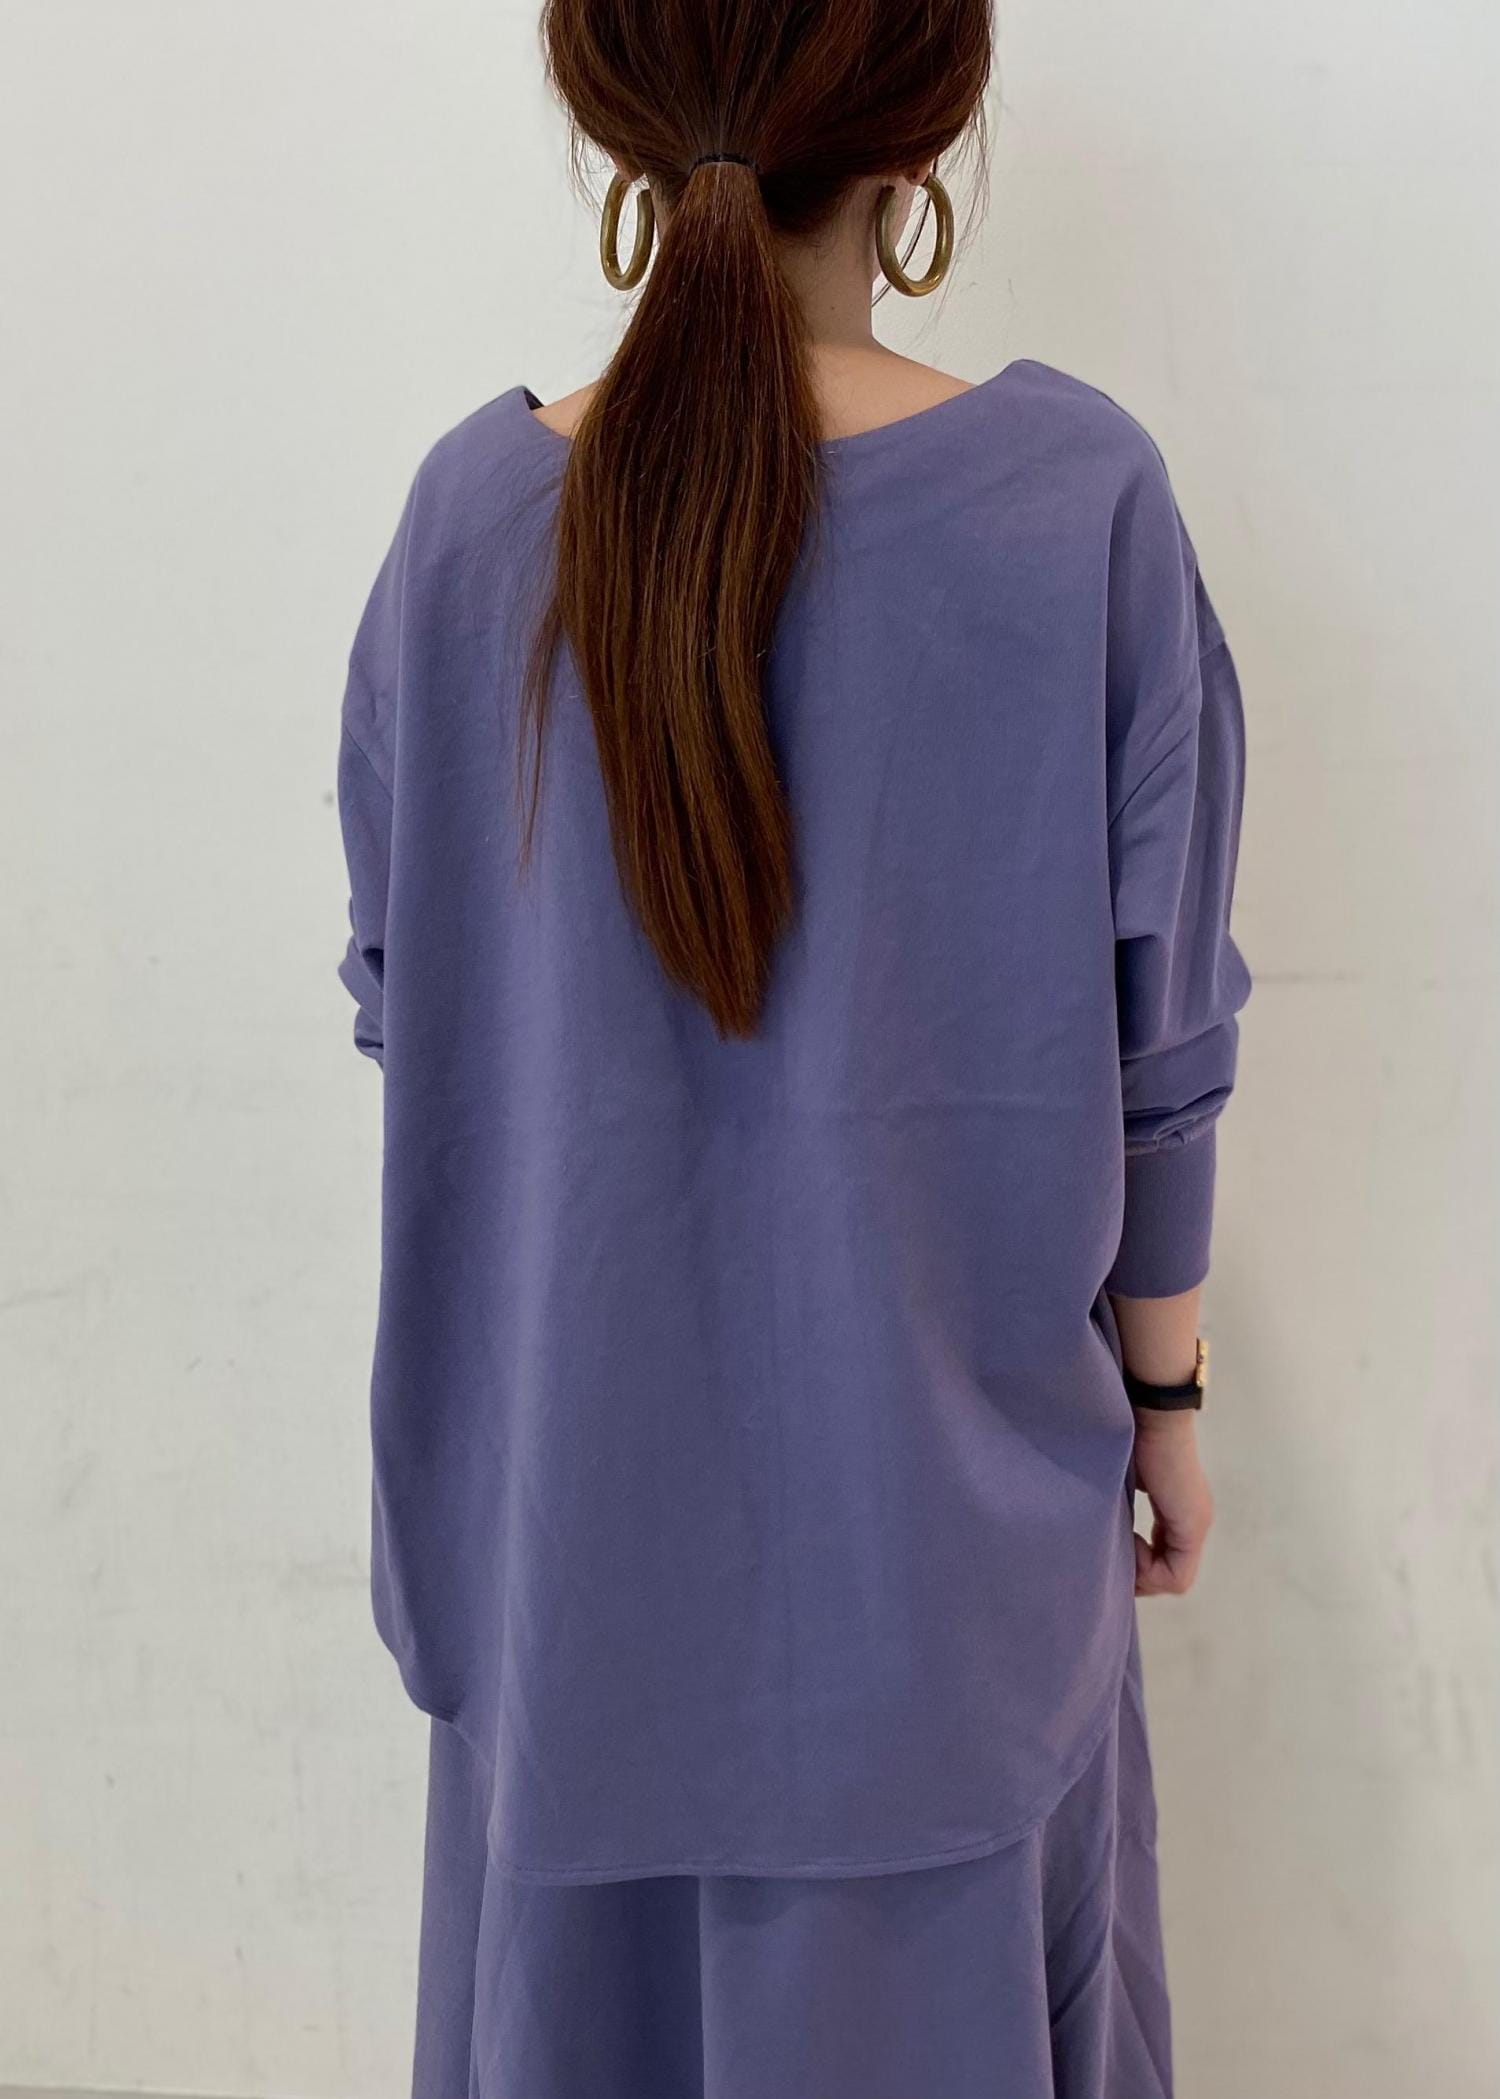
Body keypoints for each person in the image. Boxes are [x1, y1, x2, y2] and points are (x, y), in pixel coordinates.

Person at [334, 2, 1251, 2091]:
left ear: (618, 117)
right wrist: (1168, 1406)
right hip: (940, 1606)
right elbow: (1161, 1051)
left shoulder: (467, 521)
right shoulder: (1074, 503)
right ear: (923, 129)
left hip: (561, 1586)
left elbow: (420, 1019)